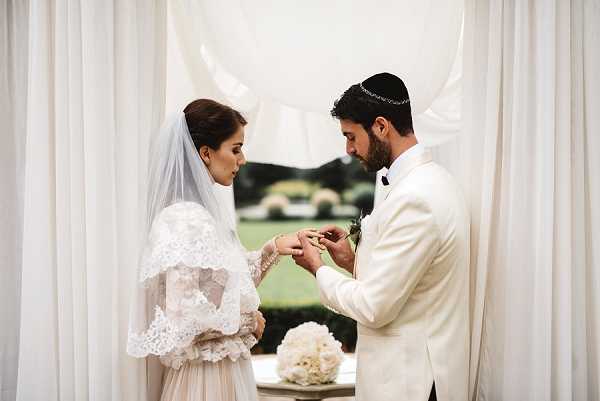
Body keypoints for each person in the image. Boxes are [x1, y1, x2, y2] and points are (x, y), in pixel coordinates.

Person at [293, 73, 470, 401]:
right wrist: (350, 260)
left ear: (380, 126)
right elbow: (410, 282)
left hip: (410, 385)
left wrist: (319, 269)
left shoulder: (417, 198)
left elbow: (376, 307)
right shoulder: (430, 182)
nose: (348, 150)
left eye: (351, 136)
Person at [127, 99, 317, 401]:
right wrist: (248, 322)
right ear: (205, 153)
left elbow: (225, 290)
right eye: (236, 148)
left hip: (224, 370)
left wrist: (274, 249)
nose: (242, 160)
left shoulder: (203, 215)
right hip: (205, 380)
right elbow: (184, 318)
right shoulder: (185, 219)